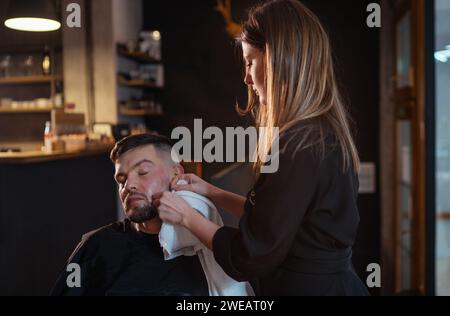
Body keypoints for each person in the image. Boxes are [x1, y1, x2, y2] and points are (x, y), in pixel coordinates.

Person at [153, 0, 370, 296]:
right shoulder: (319, 132)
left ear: (279, 60)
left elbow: (249, 256)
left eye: (249, 61)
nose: (246, 77)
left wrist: (187, 217)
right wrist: (211, 192)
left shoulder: (300, 146)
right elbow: (273, 218)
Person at [51, 134, 208, 296]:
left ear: (176, 174)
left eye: (143, 172)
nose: (128, 185)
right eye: (121, 179)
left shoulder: (206, 244)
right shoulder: (94, 247)